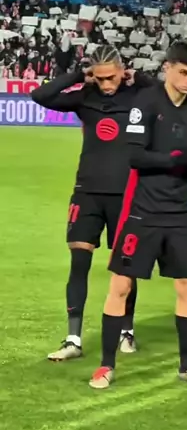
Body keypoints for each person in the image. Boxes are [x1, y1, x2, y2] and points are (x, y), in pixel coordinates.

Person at [89, 41, 187, 389]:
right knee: (121, 285)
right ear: (168, 68)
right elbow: (136, 157)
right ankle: (106, 366)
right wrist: (180, 158)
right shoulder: (146, 103)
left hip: (179, 211)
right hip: (142, 210)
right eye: (185, 73)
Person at [31, 45, 143, 362]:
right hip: (87, 193)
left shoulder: (138, 97)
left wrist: (139, 77)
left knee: (125, 267)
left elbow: (166, 91)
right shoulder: (85, 97)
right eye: (100, 78)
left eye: (112, 77)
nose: (106, 85)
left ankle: (126, 331)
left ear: (122, 71)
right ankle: (73, 339)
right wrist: (79, 75)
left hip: (126, 195)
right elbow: (40, 95)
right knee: (79, 265)